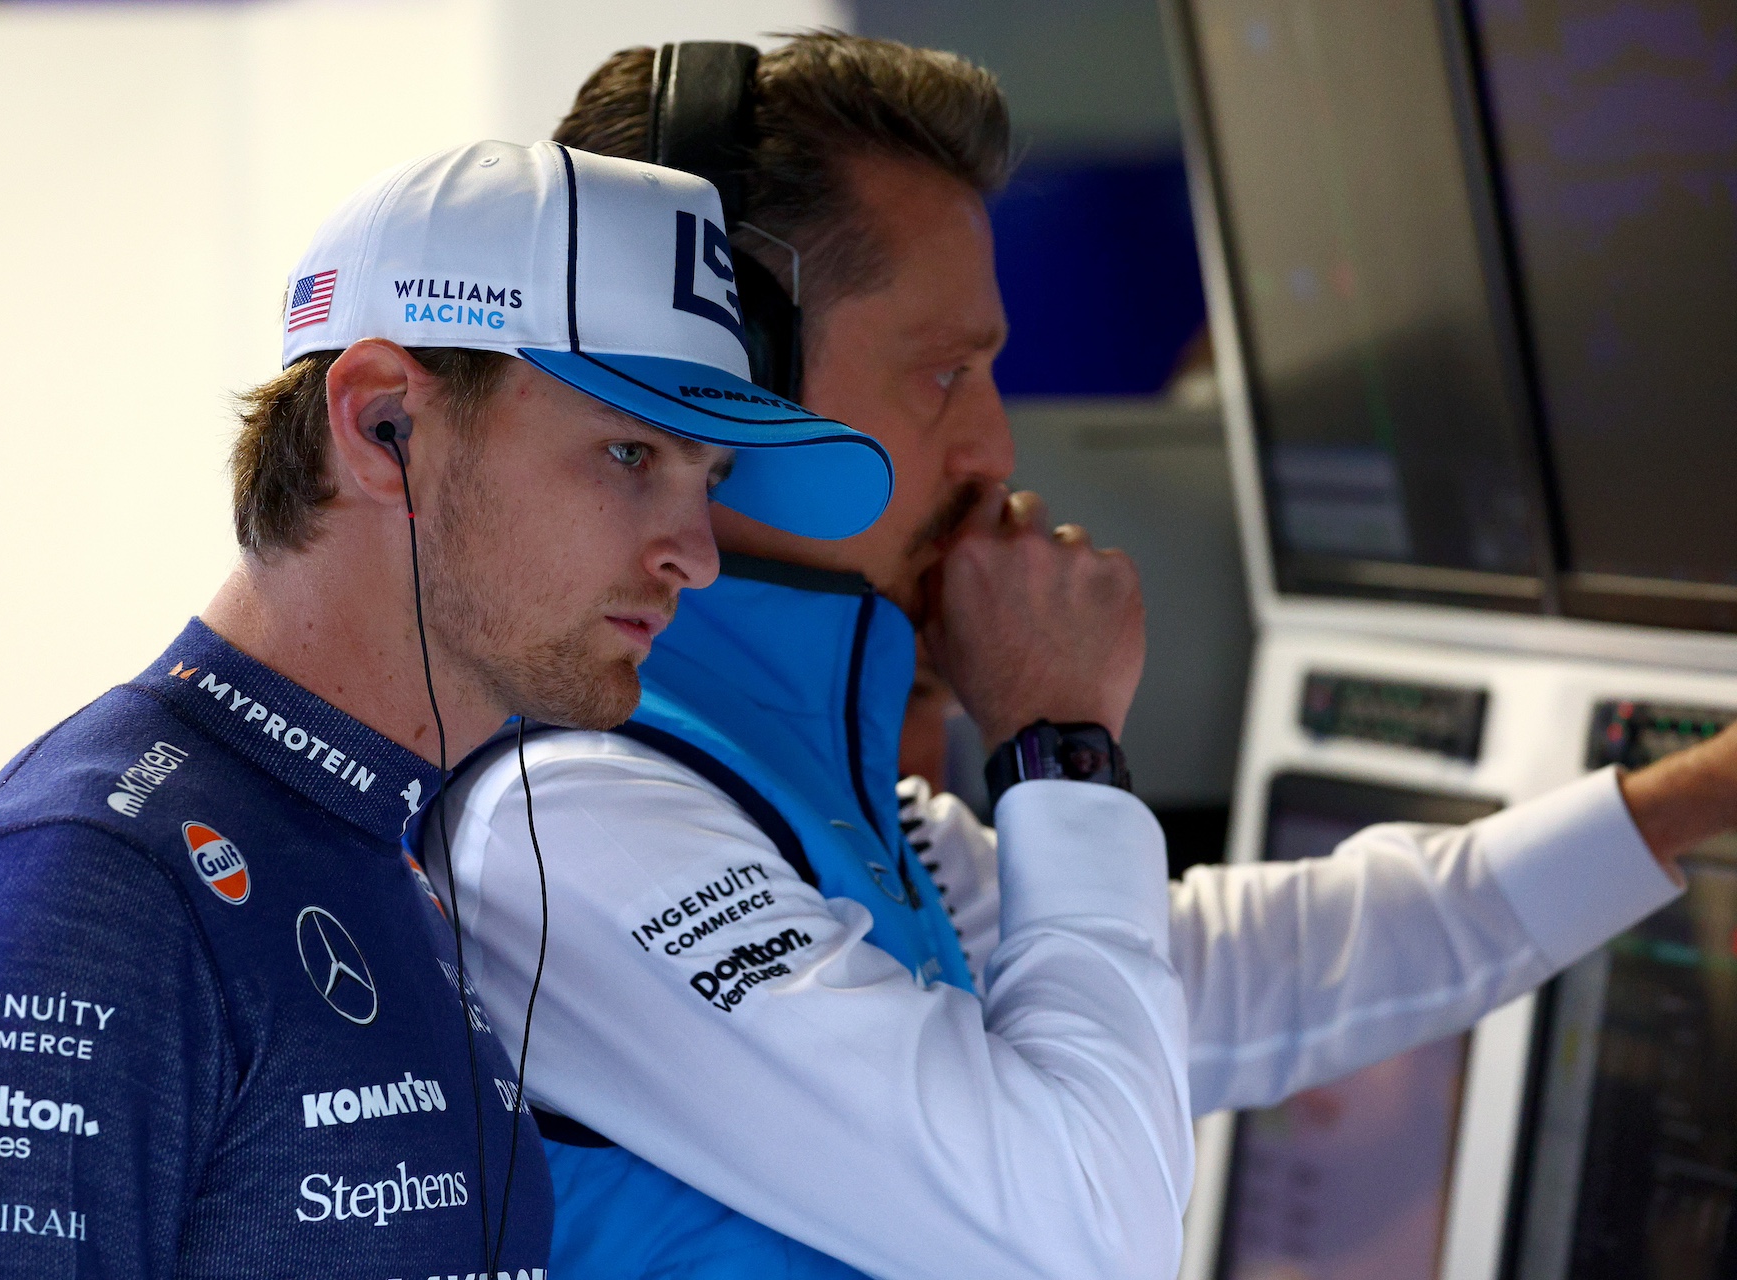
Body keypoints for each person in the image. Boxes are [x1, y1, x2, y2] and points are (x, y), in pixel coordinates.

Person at [435, 34, 1737, 1280]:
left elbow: (1231, 983)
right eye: (945, 375)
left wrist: (1695, 795)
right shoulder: (576, 817)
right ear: (724, 376)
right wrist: (1060, 746)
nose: (995, 450)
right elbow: (1077, 1236)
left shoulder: (783, 786)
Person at [0, 138, 897, 1278]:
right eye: (629, 451)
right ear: (380, 427)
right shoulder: (83, 883)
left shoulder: (376, 835)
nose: (695, 557)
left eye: (712, 479)